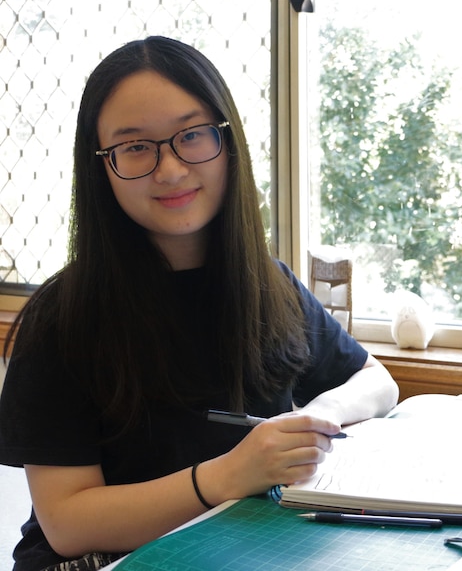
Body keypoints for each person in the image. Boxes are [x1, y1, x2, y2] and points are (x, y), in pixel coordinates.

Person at [0, 36, 399, 571]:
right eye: (136, 147)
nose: (169, 169)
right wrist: (229, 475)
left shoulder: (267, 284)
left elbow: (377, 381)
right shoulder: (62, 317)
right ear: (102, 167)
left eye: (191, 135)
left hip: (245, 549)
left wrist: (322, 415)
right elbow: (68, 524)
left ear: (227, 142)